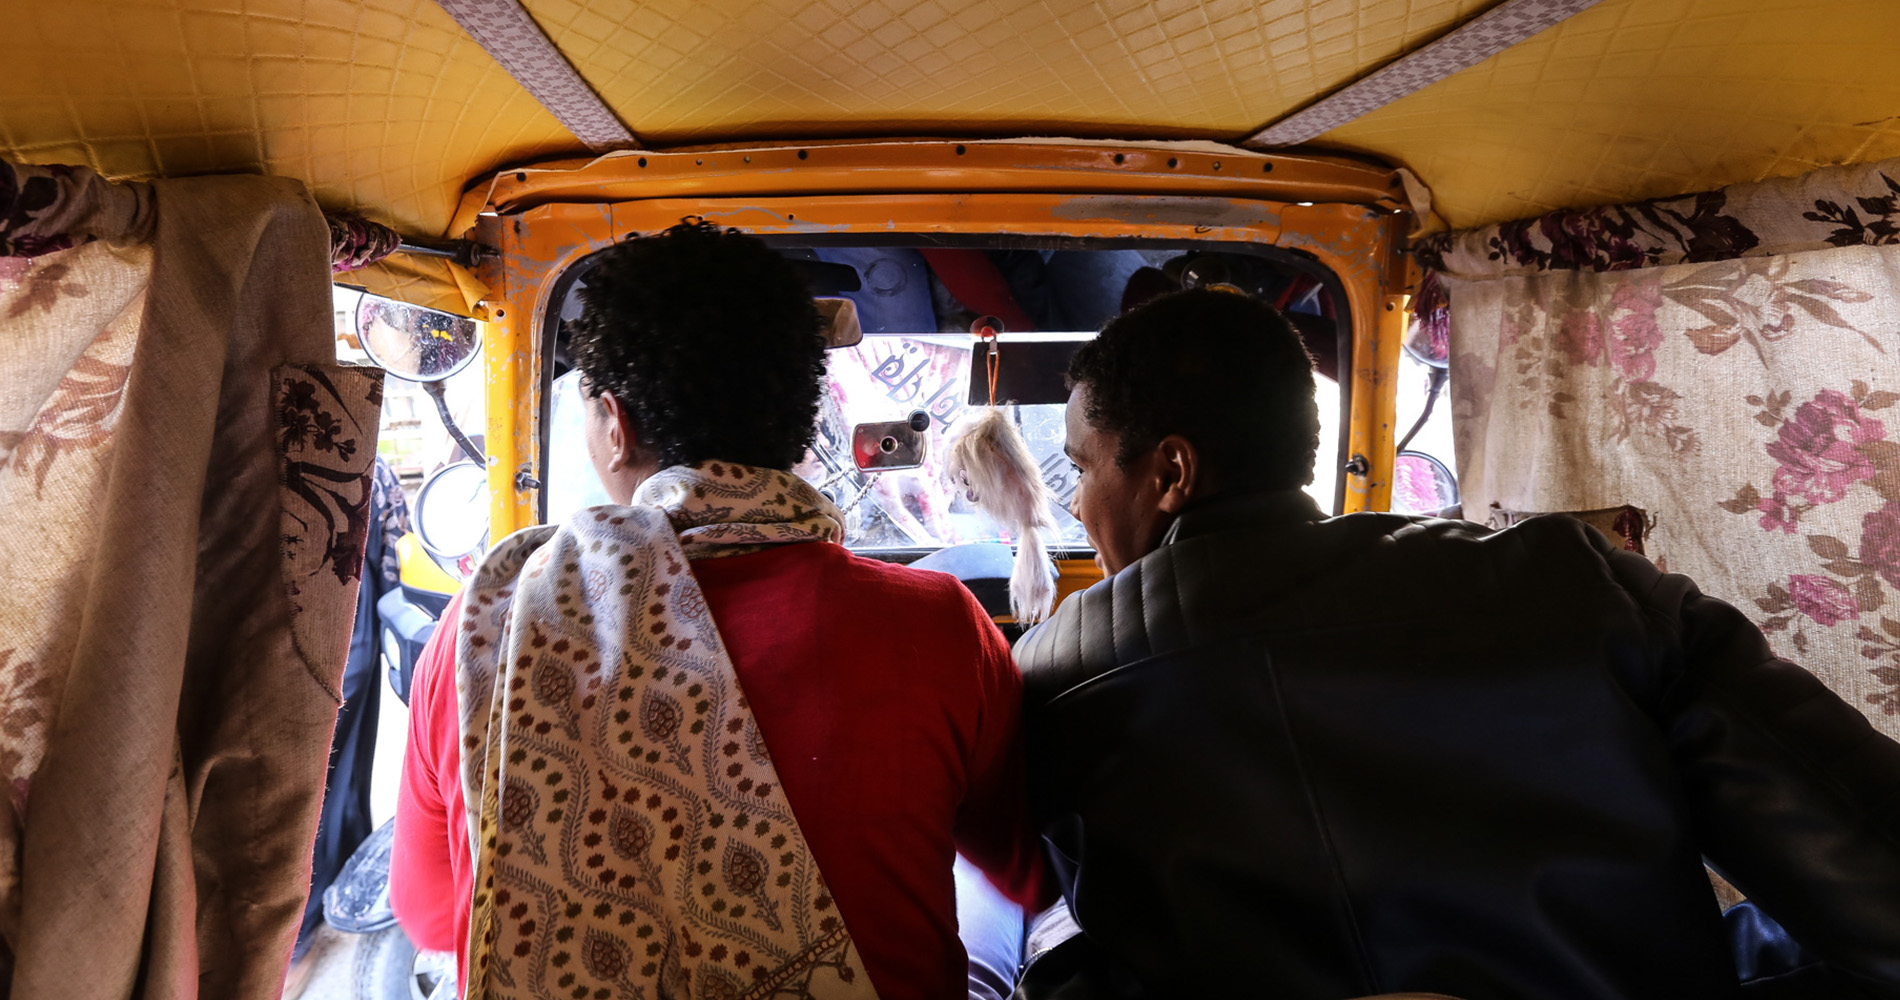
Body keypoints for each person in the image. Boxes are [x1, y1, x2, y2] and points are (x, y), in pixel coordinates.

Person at [1013, 288, 1900, 999]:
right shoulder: (1573, 579)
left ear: (1171, 472)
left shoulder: (1040, 683)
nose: (1078, 504)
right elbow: (1873, 879)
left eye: (1083, 467)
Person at [390, 221, 1042, 999]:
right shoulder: (938, 625)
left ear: (612, 423)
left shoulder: (483, 629)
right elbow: (1028, 869)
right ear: (805, 429)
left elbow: (434, 915)